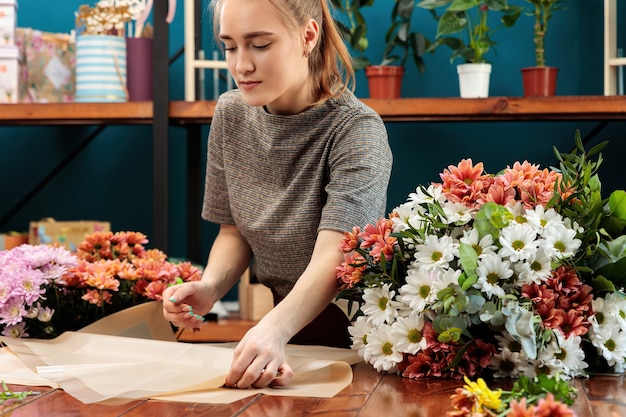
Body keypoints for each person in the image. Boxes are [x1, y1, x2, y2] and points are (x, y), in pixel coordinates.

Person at [162, 0, 392, 390]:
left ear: (308, 36)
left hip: (366, 341)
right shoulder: (231, 114)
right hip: (288, 335)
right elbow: (234, 231)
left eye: (260, 44)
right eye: (230, 46)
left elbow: (336, 255)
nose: (241, 65)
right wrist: (211, 287)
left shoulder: (357, 131)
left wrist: (272, 329)